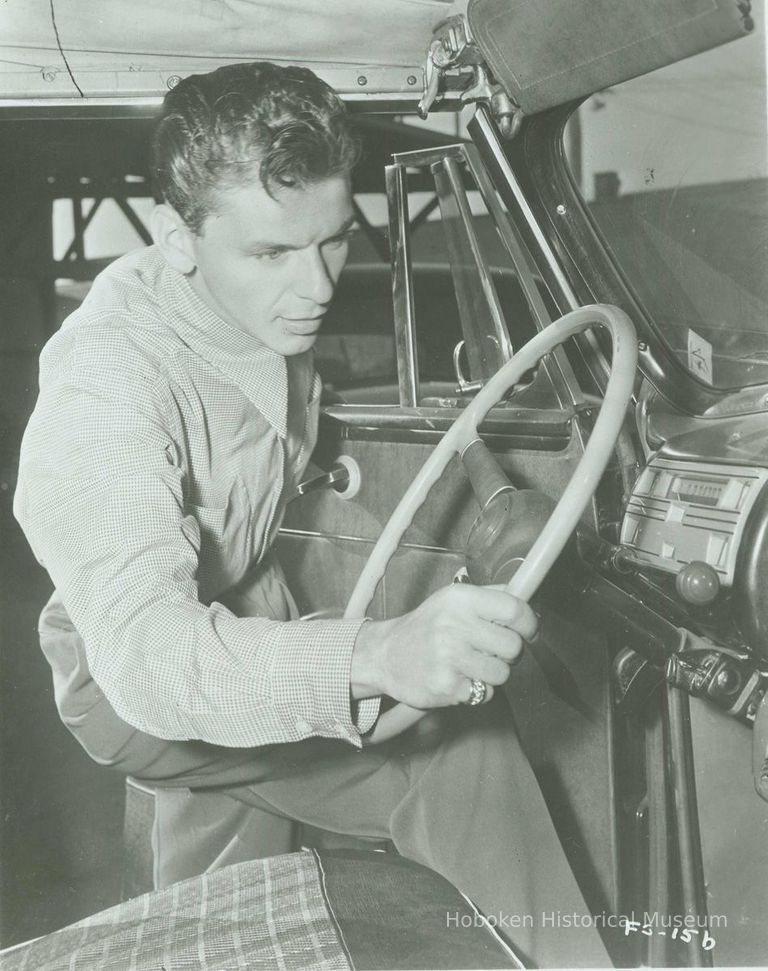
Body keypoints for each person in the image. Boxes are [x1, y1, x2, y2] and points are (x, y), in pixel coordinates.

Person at [14, 62, 610, 966]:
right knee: (454, 750)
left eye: (331, 240)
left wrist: (491, 487)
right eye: (272, 253)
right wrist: (378, 652)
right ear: (179, 239)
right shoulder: (106, 381)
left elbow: (286, 426)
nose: (319, 285)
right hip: (131, 671)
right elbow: (146, 654)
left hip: (246, 608)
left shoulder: (260, 311)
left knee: (222, 899)